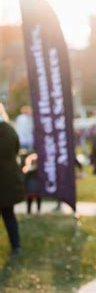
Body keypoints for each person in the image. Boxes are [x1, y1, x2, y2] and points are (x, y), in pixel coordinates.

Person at [0, 106, 23, 254]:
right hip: (8, 180)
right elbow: (16, 148)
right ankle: (16, 246)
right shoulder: (9, 129)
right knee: (9, 215)